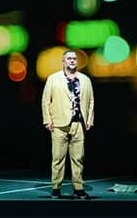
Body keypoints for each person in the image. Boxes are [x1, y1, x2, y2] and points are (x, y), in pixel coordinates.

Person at [41, 49, 94, 199]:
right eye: (69, 58)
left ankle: (78, 188)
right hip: (59, 123)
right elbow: (46, 100)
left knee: (78, 158)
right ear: (63, 61)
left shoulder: (85, 80)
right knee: (58, 158)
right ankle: (56, 187)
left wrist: (89, 119)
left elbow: (91, 101)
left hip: (78, 123)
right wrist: (47, 120)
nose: (72, 61)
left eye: (74, 59)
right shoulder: (53, 78)